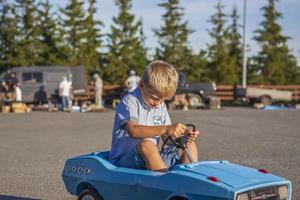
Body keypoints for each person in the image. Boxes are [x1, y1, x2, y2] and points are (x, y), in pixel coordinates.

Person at [109, 60, 200, 171]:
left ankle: (188, 182)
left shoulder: (160, 105)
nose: (158, 102)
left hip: (150, 157)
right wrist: (166, 128)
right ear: (141, 85)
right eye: (155, 98)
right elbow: (133, 130)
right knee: (147, 145)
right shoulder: (130, 101)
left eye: (163, 99)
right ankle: (165, 185)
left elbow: (167, 139)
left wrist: (182, 136)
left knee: (190, 145)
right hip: (125, 161)